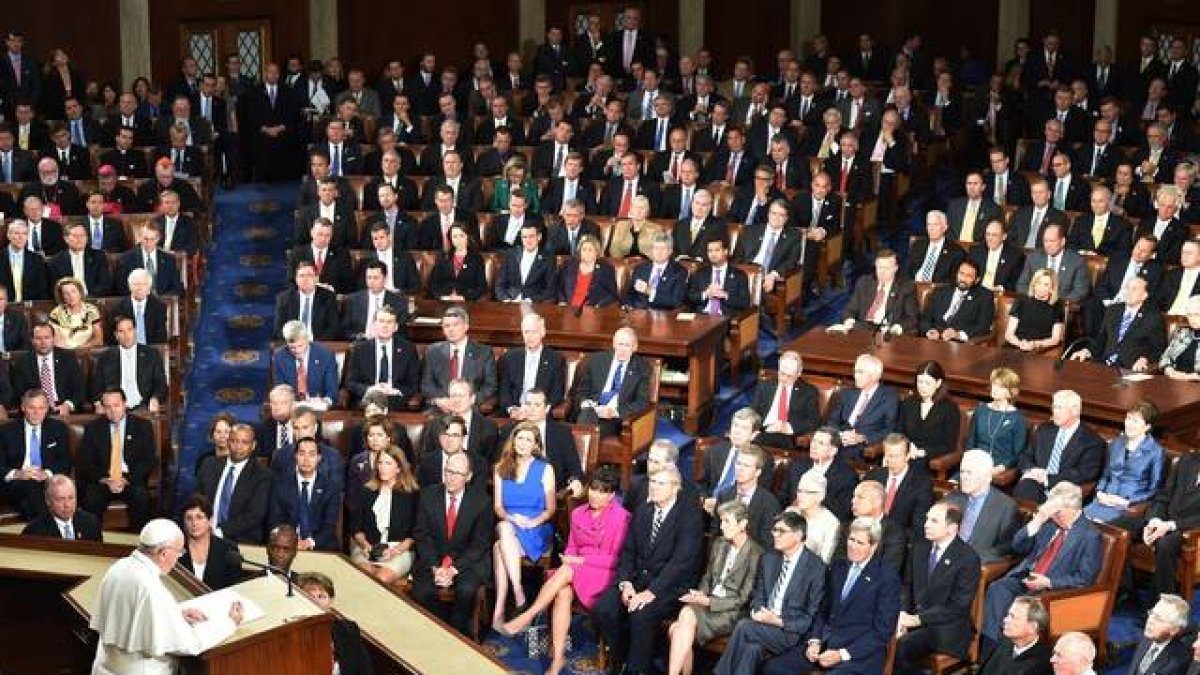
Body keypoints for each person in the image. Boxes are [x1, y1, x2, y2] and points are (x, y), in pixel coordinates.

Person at [501, 467, 630, 675]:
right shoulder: (578, 513)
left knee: (568, 570)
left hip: (603, 574)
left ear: (612, 495)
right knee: (562, 592)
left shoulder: (622, 518)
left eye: (602, 491)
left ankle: (529, 615)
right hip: (575, 570)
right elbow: (571, 547)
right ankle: (558, 660)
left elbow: (615, 560)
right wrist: (570, 559)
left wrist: (580, 560)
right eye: (593, 489)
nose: (595, 494)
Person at [90, 519, 244, 675]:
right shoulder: (149, 586)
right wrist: (229, 623)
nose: (178, 559)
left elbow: (136, 613)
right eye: (178, 552)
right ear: (163, 554)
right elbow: (189, 644)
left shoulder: (119, 567)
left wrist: (176, 613)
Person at [593, 465, 703, 675]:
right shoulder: (644, 510)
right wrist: (625, 584)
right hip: (636, 580)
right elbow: (628, 552)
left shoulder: (689, 517)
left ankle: (637, 669)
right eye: (653, 482)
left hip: (668, 586)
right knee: (603, 609)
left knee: (641, 613)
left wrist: (651, 592)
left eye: (661, 483)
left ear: (675, 488)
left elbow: (680, 563)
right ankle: (620, 657)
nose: (654, 487)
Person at [768, 518, 901, 675]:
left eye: (860, 543)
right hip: (824, 645)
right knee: (773, 669)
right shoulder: (838, 567)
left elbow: (883, 632)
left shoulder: (886, 577)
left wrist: (842, 654)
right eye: (851, 539)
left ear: (873, 546)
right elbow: (823, 610)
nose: (853, 546)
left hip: (858, 655)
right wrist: (815, 640)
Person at [981, 482, 1102, 648]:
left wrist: (1048, 582)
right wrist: (1037, 521)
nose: (1052, 515)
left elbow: (1085, 578)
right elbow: (1018, 546)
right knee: (998, 588)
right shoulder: (1049, 524)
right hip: (1027, 578)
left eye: (1056, 511)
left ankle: (1010, 657)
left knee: (1022, 607)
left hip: (1052, 591)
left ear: (1072, 509)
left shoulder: (1090, 536)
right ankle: (989, 652)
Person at [666, 500, 764, 675]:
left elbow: (743, 599)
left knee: (677, 628)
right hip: (707, 603)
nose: (722, 526)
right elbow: (707, 577)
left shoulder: (756, 554)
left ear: (743, 524)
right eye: (721, 521)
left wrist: (708, 601)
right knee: (682, 622)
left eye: (727, 521)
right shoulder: (720, 544)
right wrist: (700, 593)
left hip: (730, 611)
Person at [892, 502, 982, 674]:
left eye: (934, 521)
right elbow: (906, 586)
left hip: (946, 627)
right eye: (927, 518)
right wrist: (903, 614)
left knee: (901, 646)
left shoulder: (968, 559)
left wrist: (917, 620)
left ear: (952, 528)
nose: (926, 524)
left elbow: (957, 607)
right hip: (913, 619)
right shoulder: (919, 548)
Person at [411, 451, 493, 636]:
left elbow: (479, 544)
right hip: (434, 558)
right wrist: (435, 567)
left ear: (469, 476)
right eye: (448, 471)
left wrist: (453, 570)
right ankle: (439, 631)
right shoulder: (428, 496)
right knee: (423, 592)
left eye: (457, 473)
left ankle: (457, 635)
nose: (451, 477)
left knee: (465, 590)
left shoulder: (482, 501)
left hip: (467, 562)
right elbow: (422, 535)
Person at [490, 421, 556, 629]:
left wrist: (532, 522)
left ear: (536, 444)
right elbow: (499, 508)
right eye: (519, 438)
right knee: (504, 528)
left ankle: (501, 610)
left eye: (528, 439)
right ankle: (517, 594)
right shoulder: (500, 468)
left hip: (536, 527)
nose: (523, 443)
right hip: (511, 523)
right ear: (513, 441)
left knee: (499, 546)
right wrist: (512, 518)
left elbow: (551, 509)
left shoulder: (545, 469)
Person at [76, 388, 157, 528]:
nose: (112, 410)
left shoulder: (142, 426)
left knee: (141, 497)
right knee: (91, 499)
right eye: (108, 407)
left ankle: (135, 542)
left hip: (130, 479)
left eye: (116, 405)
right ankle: (95, 544)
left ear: (125, 404)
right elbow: (85, 462)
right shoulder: (93, 429)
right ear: (102, 408)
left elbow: (147, 460)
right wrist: (104, 479)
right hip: (104, 479)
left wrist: (126, 479)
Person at [1013, 390, 1105, 504]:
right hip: (1035, 483)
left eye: (1060, 408)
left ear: (1075, 411)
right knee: (1023, 491)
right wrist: (1033, 469)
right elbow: (1026, 456)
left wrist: (1047, 479)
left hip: (1064, 489)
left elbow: (1084, 473)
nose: (1054, 412)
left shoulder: (1092, 441)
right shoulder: (1044, 429)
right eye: (1054, 407)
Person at [1082, 400, 1164, 523]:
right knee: (1076, 523)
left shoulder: (1155, 452)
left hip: (1127, 505)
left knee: (1099, 528)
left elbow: (1154, 489)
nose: (1129, 424)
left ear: (1147, 426)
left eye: (1135, 421)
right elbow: (1105, 475)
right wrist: (1100, 492)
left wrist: (1127, 501)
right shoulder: (1115, 443)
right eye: (1128, 418)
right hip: (1104, 500)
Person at [350, 445, 419, 585]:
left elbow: (415, 533)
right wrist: (364, 544)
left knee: (382, 578)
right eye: (380, 463)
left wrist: (396, 550)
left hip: (399, 550)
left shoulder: (411, 494)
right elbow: (356, 528)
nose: (382, 467)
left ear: (399, 468)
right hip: (367, 548)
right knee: (366, 576)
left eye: (388, 463)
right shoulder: (367, 491)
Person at [1, 389, 72, 518]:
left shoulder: (58, 428)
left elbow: (65, 462)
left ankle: (39, 532)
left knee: (28, 502)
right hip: (17, 483)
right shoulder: (6, 431)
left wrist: (47, 474)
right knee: (30, 486)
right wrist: (17, 473)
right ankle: (50, 531)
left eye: (41, 408)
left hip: (47, 481)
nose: (36, 413)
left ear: (47, 409)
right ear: (23, 408)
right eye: (31, 407)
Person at [196, 423, 271, 544]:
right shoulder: (209, 465)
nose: (238, 446)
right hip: (204, 534)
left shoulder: (262, 475)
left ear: (253, 445)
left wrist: (219, 532)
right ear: (228, 442)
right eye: (234, 441)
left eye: (244, 442)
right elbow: (197, 500)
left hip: (241, 540)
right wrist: (201, 525)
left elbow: (254, 515)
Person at [267, 436, 342, 552]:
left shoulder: (330, 487)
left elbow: (329, 525)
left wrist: (309, 542)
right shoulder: (280, 485)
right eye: (302, 454)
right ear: (295, 456)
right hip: (287, 546)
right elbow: (274, 521)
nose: (306, 459)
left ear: (319, 458)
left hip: (320, 546)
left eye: (312, 454)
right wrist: (290, 542)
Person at [573, 326, 651, 437]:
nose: (622, 349)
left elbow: (641, 402)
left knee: (593, 429)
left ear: (634, 347)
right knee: (587, 415)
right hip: (592, 410)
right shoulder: (596, 360)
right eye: (620, 344)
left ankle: (581, 449)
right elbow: (581, 391)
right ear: (614, 344)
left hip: (614, 419)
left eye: (627, 345)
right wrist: (585, 403)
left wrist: (615, 412)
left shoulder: (642, 368)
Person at [947, 450, 1021, 563]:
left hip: (973, 566)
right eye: (962, 472)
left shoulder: (1006, 507)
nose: (964, 477)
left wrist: (971, 558)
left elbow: (1005, 549)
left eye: (969, 473)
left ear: (987, 477)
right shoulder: (952, 497)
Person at [295, 573, 375, 675]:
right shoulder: (292, 633)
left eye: (321, 596)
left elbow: (365, 669)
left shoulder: (347, 629)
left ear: (331, 601)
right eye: (310, 596)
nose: (315, 601)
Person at [825, 353, 900, 461]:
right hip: (839, 439)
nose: (856, 376)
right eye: (855, 371)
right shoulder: (847, 392)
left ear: (874, 376)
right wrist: (840, 435)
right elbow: (832, 420)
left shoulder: (889, 397)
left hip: (863, 446)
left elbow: (890, 429)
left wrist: (863, 438)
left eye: (860, 372)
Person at [342, 306, 419, 410]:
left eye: (389, 322)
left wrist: (395, 391)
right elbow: (350, 382)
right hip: (367, 399)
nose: (385, 326)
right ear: (374, 325)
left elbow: (413, 383)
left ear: (396, 327)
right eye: (381, 321)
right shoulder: (360, 349)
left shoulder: (408, 349)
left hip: (394, 399)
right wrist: (370, 389)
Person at [420, 306, 498, 408]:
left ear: (466, 326)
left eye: (455, 325)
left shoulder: (484, 352)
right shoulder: (433, 351)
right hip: (441, 407)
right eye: (447, 326)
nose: (451, 329)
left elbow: (490, 385)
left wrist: (471, 400)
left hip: (471, 406)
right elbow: (426, 384)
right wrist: (440, 400)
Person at [778, 426, 859, 522]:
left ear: (833, 451)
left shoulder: (847, 476)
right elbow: (782, 498)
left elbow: (843, 513)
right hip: (792, 519)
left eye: (821, 443)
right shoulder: (797, 465)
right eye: (813, 441)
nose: (813, 446)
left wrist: (818, 489)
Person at [90, 316, 168, 412]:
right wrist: (98, 404)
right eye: (121, 331)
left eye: (129, 330)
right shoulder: (105, 357)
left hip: (144, 405)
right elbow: (95, 388)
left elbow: (161, 384)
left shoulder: (151, 354)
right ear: (116, 335)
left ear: (135, 331)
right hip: (113, 408)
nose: (127, 335)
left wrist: (155, 399)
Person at [834, 248, 919, 335]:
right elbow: (849, 309)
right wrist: (849, 320)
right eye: (879, 267)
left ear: (895, 268)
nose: (882, 272)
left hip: (886, 332)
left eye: (887, 268)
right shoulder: (865, 282)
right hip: (861, 330)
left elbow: (912, 319)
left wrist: (897, 328)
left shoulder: (906, 287)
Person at [710, 445, 782, 548]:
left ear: (758, 472)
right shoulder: (724, 495)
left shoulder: (769, 503)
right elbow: (715, 534)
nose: (740, 469)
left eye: (746, 466)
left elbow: (767, 544)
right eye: (738, 464)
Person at [865, 434, 934, 537]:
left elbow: (918, 527)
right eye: (888, 455)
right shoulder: (873, 476)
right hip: (867, 534)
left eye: (896, 456)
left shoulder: (921, 484)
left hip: (898, 540)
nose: (891, 461)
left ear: (907, 456)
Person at [749, 350, 820, 449]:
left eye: (789, 376)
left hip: (787, 435)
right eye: (782, 373)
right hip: (764, 429)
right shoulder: (765, 386)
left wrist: (788, 427)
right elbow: (753, 411)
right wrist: (752, 428)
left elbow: (814, 421)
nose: (784, 379)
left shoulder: (808, 392)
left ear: (798, 373)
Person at [498, 313, 566, 415]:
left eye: (534, 332)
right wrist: (512, 409)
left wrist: (542, 410)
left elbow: (557, 394)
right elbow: (504, 391)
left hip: (540, 413)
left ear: (543, 333)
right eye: (526, 332)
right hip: (515, 413)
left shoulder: (555, 359)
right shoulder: (510, 357)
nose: (530, 337)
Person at [896, 361, 961, 468]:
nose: (922, 387)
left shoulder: (949, 408)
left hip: (929, 458)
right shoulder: (908, 402)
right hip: (906, 453)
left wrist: (923, 452)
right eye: (920, 382)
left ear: (938, 383)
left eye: (927, 383)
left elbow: (949, 445)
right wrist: (907, 446)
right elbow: (899, 431)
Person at [965, 367, 1028, 475]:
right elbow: (971, 442)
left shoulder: (1017, 419)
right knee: (952, 485)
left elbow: (1018, 454)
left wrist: (1001, 467)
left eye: (1000, 386)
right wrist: (968, 461)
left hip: (999, 465)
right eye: (994, 384)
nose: (995, 389)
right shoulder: (981, 410)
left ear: (1011, 392)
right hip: (975, 462)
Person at [920, 260, 996, 342]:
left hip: (959, 344)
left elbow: (983, 326)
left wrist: (959, 335)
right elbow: (925, 318)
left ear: (977, 280)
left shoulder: (984, 297)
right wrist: (929, 331)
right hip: (933, 339)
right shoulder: (940, 291)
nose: (963, 279)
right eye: (961, 273)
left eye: (969, 276)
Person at [178, 494, 242, 590]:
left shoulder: (228, 549)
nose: (194, 523)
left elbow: (235, 588)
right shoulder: (176, 549)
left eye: (199, 517)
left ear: (210, 521)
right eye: (189, 518)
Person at [977, 596, 1053, 674]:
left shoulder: (1043, 664)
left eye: (1013, 617)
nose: (1005, 620)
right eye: (1008, 615)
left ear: (1032, 627)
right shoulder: (1004, 644)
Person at [271, 320, 339, 408]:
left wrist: (325, 401)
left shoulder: (325, 355)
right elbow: (280, 389)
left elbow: (332, 391)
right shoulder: (280, 357)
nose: (297, 351)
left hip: (318, 405)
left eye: (300, 346)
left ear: (307, 340)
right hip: (291, 407)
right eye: (292, 348)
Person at [21, 474, 102, 541]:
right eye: (60, 499)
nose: (67, 505)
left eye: (71, 498)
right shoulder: (34, 532)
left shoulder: (91, 523)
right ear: (48, 501)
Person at [1127, 594, 1194, 674]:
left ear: (1174, 630)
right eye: (1152, 613)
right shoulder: (1147, 638)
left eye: (1158, 618)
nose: (1150, 620)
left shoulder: (1178, 661)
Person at [785, 470, 841, 564]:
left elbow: (824, 561)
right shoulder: (790, 512)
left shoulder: (831, 523)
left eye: (807, 492)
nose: (800, 496)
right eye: (799, 491)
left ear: (821, 496)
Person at [1005, 268, 1065, 353]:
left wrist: (1034, 344)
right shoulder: (1021, 300)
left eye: (1046, 285)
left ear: (1052, 288)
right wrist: (1020, 344)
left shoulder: (1057, 305)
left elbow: (1055, 339)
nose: (1041, 287)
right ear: (1033, 284)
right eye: (1038, 283)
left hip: (1040, 349)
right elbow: (1008, 334)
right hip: (1015, 346)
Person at [494, 222, 556, 302]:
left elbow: (550, 290)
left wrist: (530, 300)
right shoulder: (511, 254)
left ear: (539, 237)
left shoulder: (548, 259)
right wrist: (505, 299)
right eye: (524, 237)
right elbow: (500, 285)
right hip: (510, 302)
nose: (528, 240)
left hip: (534, 303)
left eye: (531, 236)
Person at [624, 233, 687, 310]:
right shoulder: (640, 268)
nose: (659, 252)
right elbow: (630, 294)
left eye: (663, 249)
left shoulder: (679, 272)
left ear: (670, 251)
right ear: (651, 250)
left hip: (662, 315)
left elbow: (675, 301)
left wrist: (650, 291)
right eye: (656, 248)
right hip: (638, 313)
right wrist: (630, 307)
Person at [556, 234, 619, 308]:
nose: (587, 253)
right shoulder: (569, 266)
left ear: (596, 252)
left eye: (590, 250)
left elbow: (612, 295)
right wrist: (562, 301)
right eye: (584, 249)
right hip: (568, 308)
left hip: (591, 311)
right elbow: (559, 287)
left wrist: (598, 306)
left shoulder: (606, 270)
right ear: (580, 252)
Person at [48, 277, 102, 349]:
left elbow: (98, 340)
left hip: (85, 350)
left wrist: (81, 348)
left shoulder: (91, 310)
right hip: (64, 351)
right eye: (66, 293)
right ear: (62, 297)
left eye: (73, 291)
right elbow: (56, 341)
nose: (71, 296)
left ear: (80, 293)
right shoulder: (56, 313)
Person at [1160, 295, 1200, 380]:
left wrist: (1190, 377)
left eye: (1197, 314)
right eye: (1189, 315)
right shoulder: (1183, 332)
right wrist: (1169, 370)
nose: (1192, 319)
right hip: (1174, 380)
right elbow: (1165, 356)